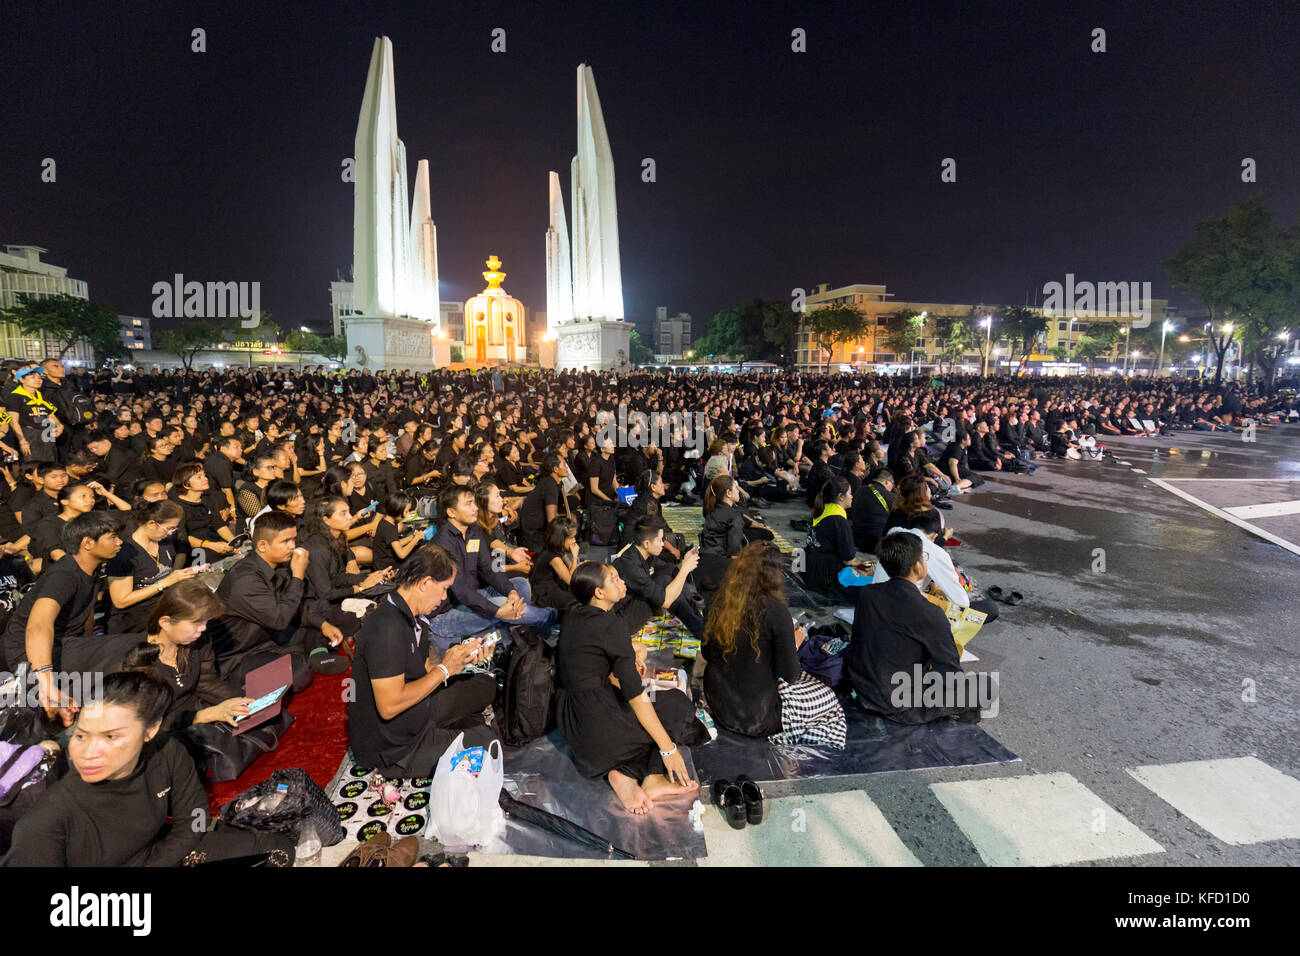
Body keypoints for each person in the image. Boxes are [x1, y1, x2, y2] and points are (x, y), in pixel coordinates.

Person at [0, 669, 293, 867]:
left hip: (159, 854)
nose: (89, 752)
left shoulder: (167, 752)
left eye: (111, 736)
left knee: (278, 850)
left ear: (150, 730)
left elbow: (194, 817)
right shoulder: (45, 821)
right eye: (81, 735)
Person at [555, 562, 708, 814]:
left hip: (575, 732)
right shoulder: (610, 625)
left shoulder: (573, 616)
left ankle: (622, 775)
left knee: (646, 709)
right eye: (614, 579)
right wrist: (668, 750)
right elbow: (636, 695)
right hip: (602, 738)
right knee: (677, 704)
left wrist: (630, 654)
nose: (621, 582)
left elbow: (592, 666)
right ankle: (647, 774)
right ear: (599, 593)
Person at [348, 545, 498, 777]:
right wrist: (446, 669)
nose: (444, 597)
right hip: (394, 747)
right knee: (488, 744)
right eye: (444, 589)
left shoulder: (413, 615)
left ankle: (454, 727)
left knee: (485, 685)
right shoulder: (387, 629)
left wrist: (461, 660)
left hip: (418, 712)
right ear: (425, 582)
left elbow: (425, 671)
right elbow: (389, 707)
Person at [702, 541, 845, 746]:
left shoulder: (717, 601)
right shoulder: (776, 612)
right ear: (774, 575)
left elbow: (707, 653)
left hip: (718, 702)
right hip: (756, 717)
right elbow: (790, 675)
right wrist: (793, 644)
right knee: (827, 696)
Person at [845, 532, 979, 724]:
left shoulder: (868, 594)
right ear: (917, 566)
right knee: (983, 689)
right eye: (923, 558)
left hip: (860, 686)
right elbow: (951, 675)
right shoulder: (930, 613)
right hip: (897, 703)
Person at [3, 511, 124, 687]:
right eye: (112, 537)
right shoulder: (64, 575)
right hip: (30, 652)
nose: (119, 542)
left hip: (67, 644)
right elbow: (38, 626)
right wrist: (46, 683)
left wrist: (87, 645)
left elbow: (86, 613)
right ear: (88, 543)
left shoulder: (93, 569)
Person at [427, 484, 556, 648]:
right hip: (447, 611)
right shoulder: (443, 542)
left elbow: (490, 567)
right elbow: (461, 590)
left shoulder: (475, 530)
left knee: (520, 585)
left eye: (474, 503)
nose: (475, 508)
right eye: (468, 504)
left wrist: (511, 591)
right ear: (451, 512)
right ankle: (555, 617)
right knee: (503, 604)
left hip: (472, 595)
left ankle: (510, 630)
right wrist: (497, 611)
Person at [205, 511, 317, 690]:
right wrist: (298, 576)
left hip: (266, 641)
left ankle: (308, 654)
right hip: (238, 658)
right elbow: (279, 620)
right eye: (285, 541)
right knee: (299, 671)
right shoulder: (246, 579)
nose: (292, 547)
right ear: (263, 546)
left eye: (293, 540)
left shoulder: (278, 566)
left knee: (322, 624)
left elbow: (292, 605)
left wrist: (323, 624)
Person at [106, 499, 203, 635]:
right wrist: (165, 582)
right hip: (133, 623)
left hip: (161, 612)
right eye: (169, 528)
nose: (171, 533)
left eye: (174, 529)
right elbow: (121, 601)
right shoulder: (124, 554)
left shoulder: (164, 543)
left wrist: (181, 576)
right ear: (152, 523)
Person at [611, 517, 703, 635]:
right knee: (664, 581)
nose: (662, 545)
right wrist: (685, 570)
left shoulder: (644, 553)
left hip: (634, 603)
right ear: (647, 543)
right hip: (622, 619)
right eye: (660, 540)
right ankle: (700, 630)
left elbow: (671, 570)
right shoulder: (630, 564)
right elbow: (665, 600)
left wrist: (685, 561)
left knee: (670, 572)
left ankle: (699, 620)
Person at [804, 475, 858, 601]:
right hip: (826, 576)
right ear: (840, 496)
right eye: (850, 493)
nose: (852, 496)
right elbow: (849, 559)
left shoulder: (820, 510)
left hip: (809, 569)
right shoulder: (839, 521)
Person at [529, 516, 580, 611]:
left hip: (552, 584)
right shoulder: (553, 557)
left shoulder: (556, 548)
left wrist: (573, 562)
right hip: (544, 593)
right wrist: (575, 556)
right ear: (561, 538)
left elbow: (570, 566)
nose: (574, 541)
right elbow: (570, 580)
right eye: (571, 538)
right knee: (576, 600)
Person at [850, 466, 895, 553]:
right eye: (892, 484)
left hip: (857, 540)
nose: (892, 488)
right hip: (878, 545)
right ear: (887, 481)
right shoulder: (890, 497)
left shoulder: (860, 490)